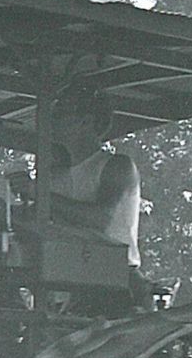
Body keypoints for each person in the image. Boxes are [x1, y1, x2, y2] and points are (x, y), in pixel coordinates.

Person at [42, 94, 143, 266]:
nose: (51, 121)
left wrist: (42, 195)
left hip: (114, 271)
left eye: (60, 114)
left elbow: (102, 219)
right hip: (73, 268)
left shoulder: (116, 166)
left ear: (86, 121)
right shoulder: (57, 174)